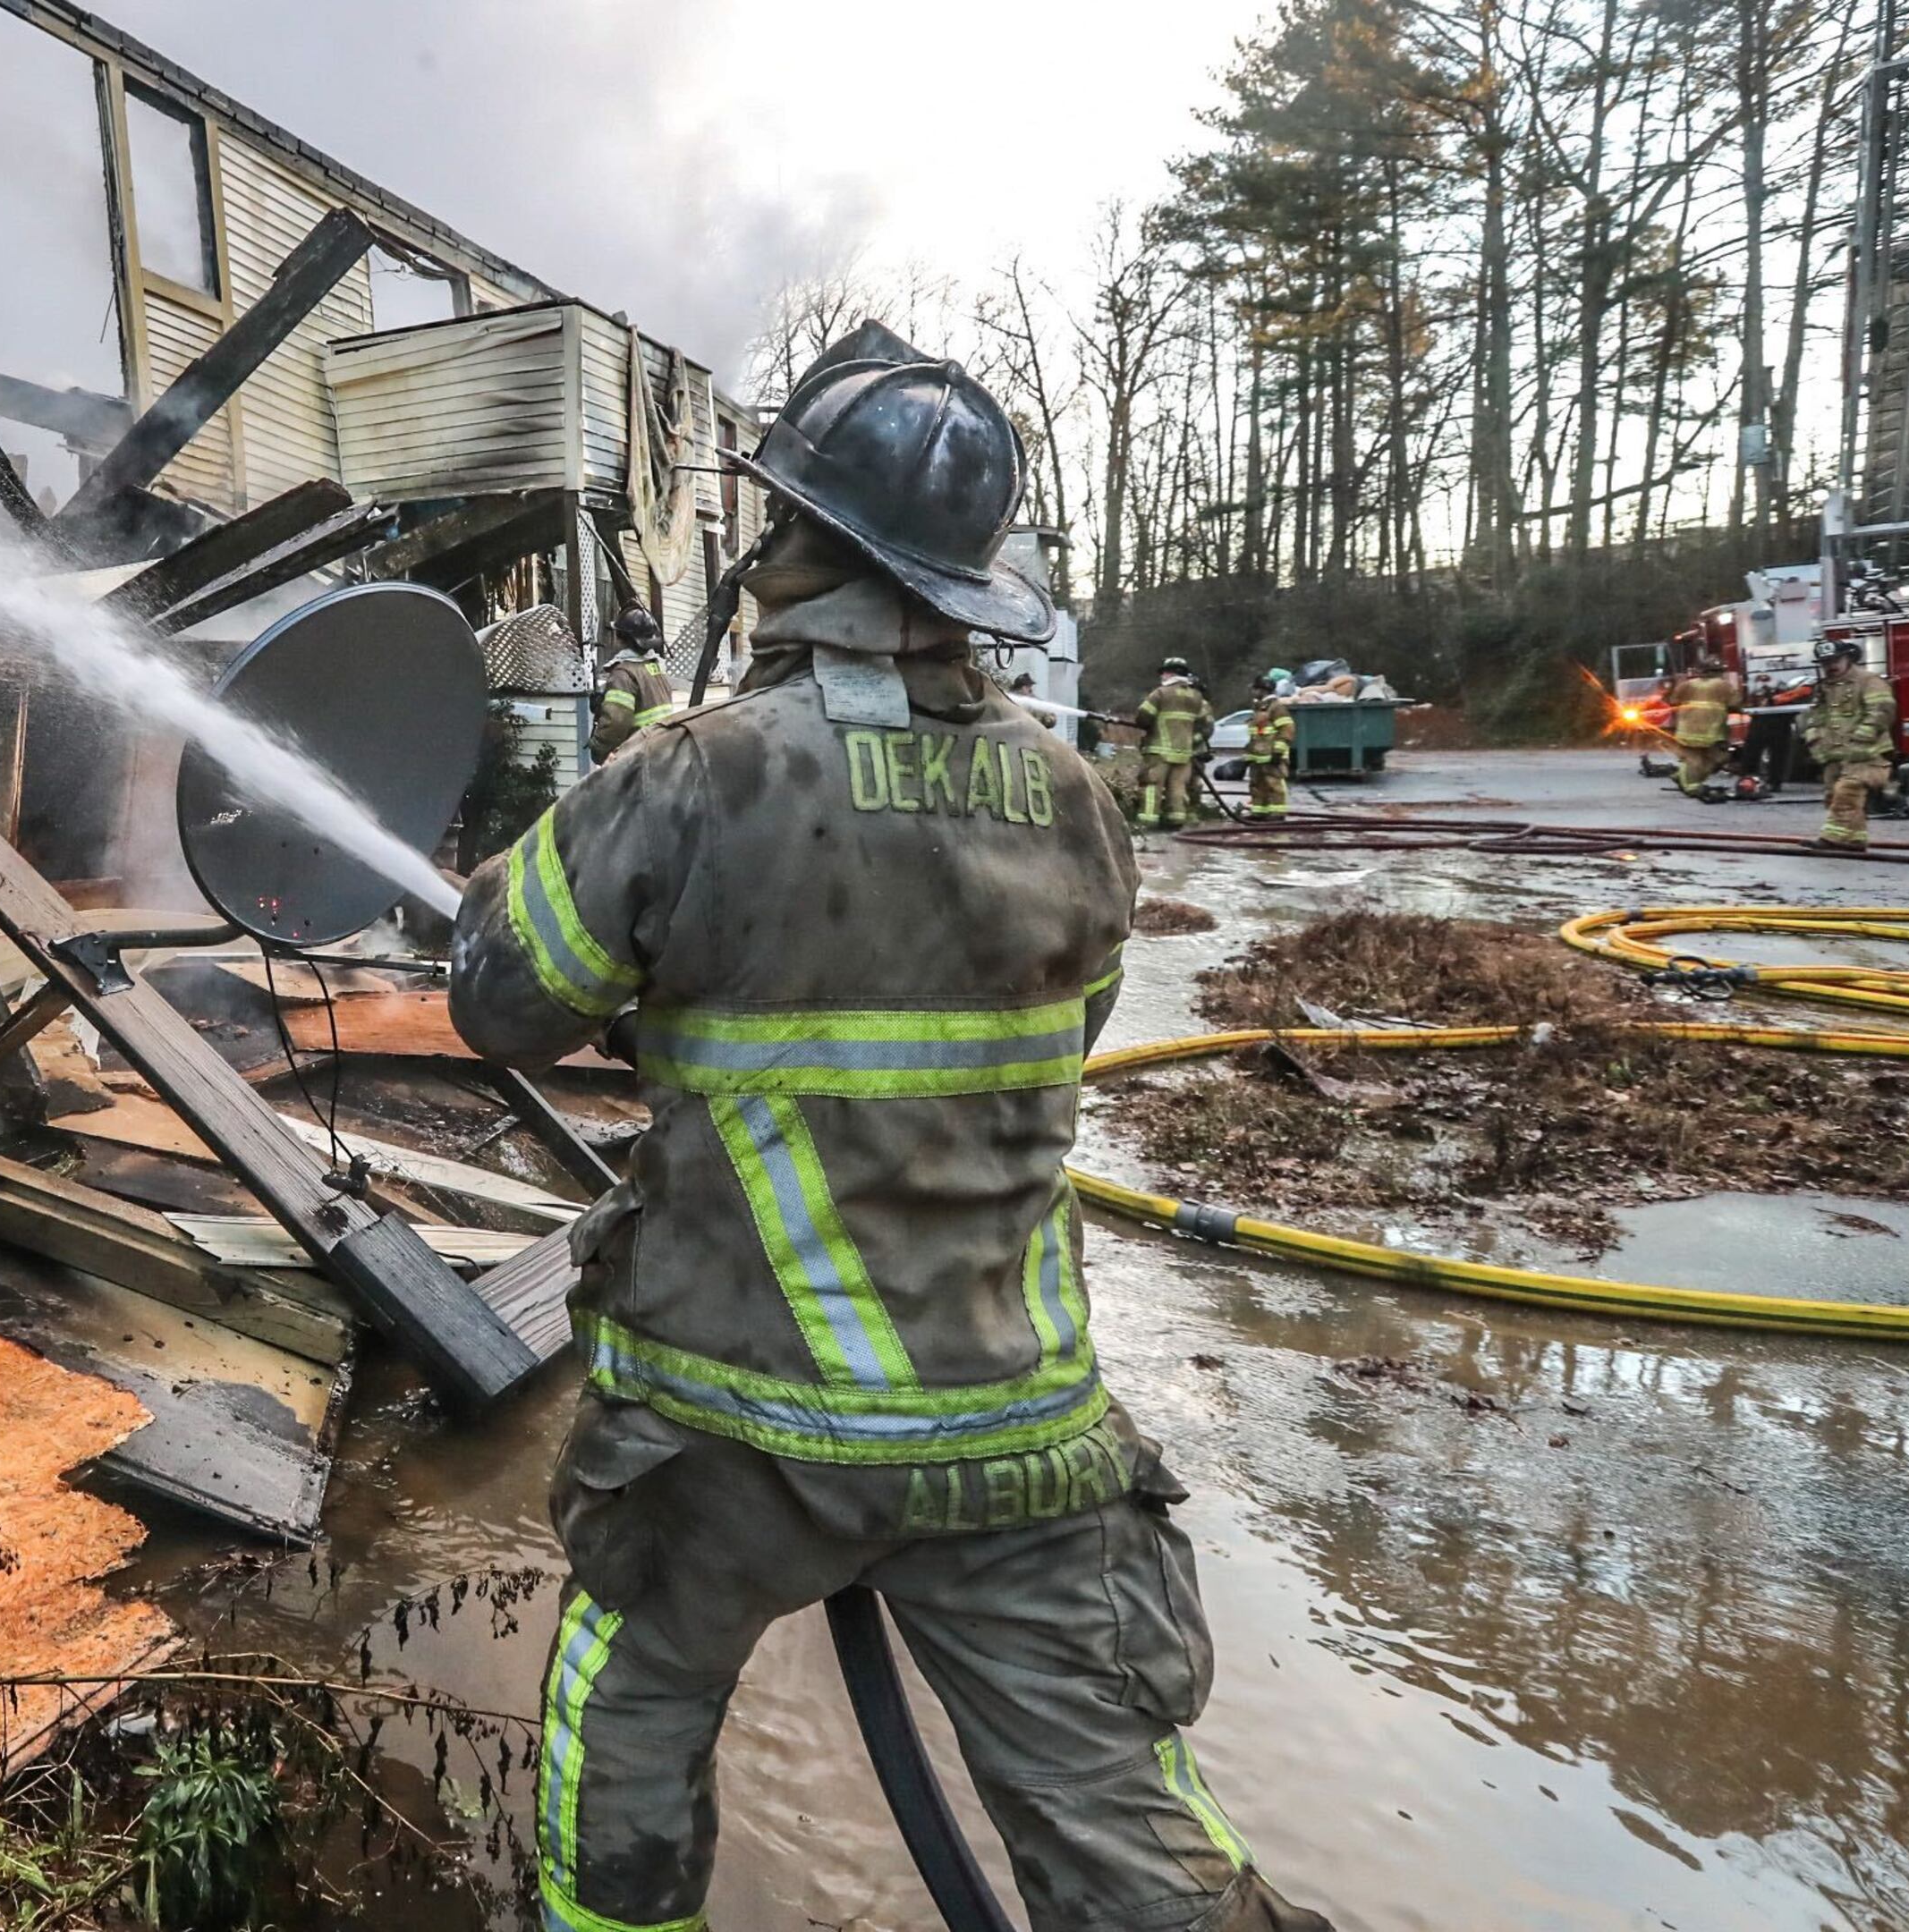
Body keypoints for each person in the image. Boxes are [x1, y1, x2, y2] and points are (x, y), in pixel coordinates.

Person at [451, 355, 1328, 1932]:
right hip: (1019, 1425)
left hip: (733, 1426)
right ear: (960, 582)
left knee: (635, 1691)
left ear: (791, 537)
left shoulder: (697, 773)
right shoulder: (1075, 796)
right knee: (1118, 1805)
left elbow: (502, 1003)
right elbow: (1050, 1039)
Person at [1797, 634, 1897, 852]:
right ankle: (1855, 840)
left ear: (1847, 659)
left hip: (1867, 754)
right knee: (1835, 797)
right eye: (1825, 663)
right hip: (1836, 754)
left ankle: (1830, 838)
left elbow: (1881, 712)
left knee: (1846, 793)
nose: (1830, 666)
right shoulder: (1824, 688)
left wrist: (1861, 738)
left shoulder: (1869, 681)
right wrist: (1815, 740)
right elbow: (1816, 717)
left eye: (1835, 661)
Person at [1135, 657, 1216, 830]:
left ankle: (1147, 822)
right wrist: (1193, 741)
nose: (1162, 676)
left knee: (1152, 785)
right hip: (1184, 753)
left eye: (1164, 673)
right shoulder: (1196, 697)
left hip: (1159, 751)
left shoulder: (1160, 693)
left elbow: (1143, 717)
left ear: (1170, 674)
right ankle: (1176, 820)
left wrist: (1147, 726)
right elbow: (1206, 725)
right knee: (1178, 787)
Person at [593, 607, 680, 761]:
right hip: (660, 749)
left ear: (621, 638)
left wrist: (599, 747)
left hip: (637, 755)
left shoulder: (623, 674)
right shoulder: (656, 667)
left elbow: (617, 722)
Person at [1667, 651, 1744, 800]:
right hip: (1712, 732)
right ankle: (1691, 786)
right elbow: (1736, 703)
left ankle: (1681, 776)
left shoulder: (1687, 685)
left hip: (1687, 730)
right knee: (1718, 757)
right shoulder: (1724, 686)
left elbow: (1673, 701)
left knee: (1694, 759)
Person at [1243, 676, 1296, 820]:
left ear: (1263, 690)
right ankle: (1259, 812)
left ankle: (1278, 814)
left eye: (1255, 689)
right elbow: (1256, 734)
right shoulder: (1259, 707)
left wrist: (1278, 751)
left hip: (1272, 755)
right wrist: (1248, 756)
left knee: (1274, 784)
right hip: (1258, 757)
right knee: (1257, 785)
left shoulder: (1276, 708)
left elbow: (1287, 729)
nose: (1253, 692)